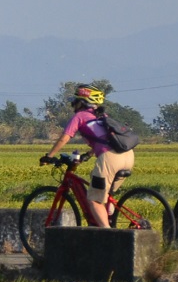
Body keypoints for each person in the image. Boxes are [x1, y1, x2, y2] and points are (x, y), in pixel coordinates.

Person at [41, 85, 133, 227]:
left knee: (94, 200)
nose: (73, 105)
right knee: (104, 193)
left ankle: (109, 236)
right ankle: (108, 218)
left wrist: (49, 156)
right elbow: (105, 139)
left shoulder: (79, 116)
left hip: (110, 158)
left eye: (75, 101)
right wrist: (88, 154)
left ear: (82, 103)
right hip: (128, 156)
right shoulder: (102, 116)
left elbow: (64, 139)